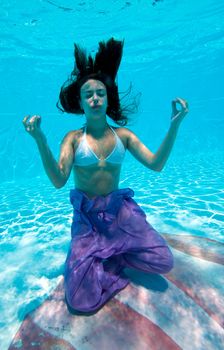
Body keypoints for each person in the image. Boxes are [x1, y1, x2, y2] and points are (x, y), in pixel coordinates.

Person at [22, 37, 189, 315]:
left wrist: (175, 126)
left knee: (163, 261)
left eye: (100, 93)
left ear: (108, 98)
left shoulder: (123, 135)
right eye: (88, 95)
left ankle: (113, 252)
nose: (95, 98)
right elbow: (58, 180)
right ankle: (103, 254)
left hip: (119, 214)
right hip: (87, 219)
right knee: (79, 301)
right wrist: (39, 139)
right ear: (81, 102)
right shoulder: (73, 139)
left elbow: (156, 164)